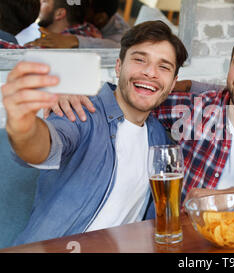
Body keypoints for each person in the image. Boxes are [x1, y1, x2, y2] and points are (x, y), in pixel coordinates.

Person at [48, 27, 234, 208]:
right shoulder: (195, 108)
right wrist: (77, 92)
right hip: (192, 234)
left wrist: (223, 197)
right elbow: (135, 97)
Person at [1, 20, 188, 245]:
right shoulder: (81, 112)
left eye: (164, 67)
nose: (150, 72)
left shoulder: (158, 136)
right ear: (119, 66)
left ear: (172, 83)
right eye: (139, 59)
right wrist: (23, 125)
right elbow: (43, 146)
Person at [29, 0, 129, 48]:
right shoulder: (90, 28)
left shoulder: (121, 34)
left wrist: (74, 40)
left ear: (100, 19)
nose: (77, 5)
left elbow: (119, 50)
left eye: (85, 6)